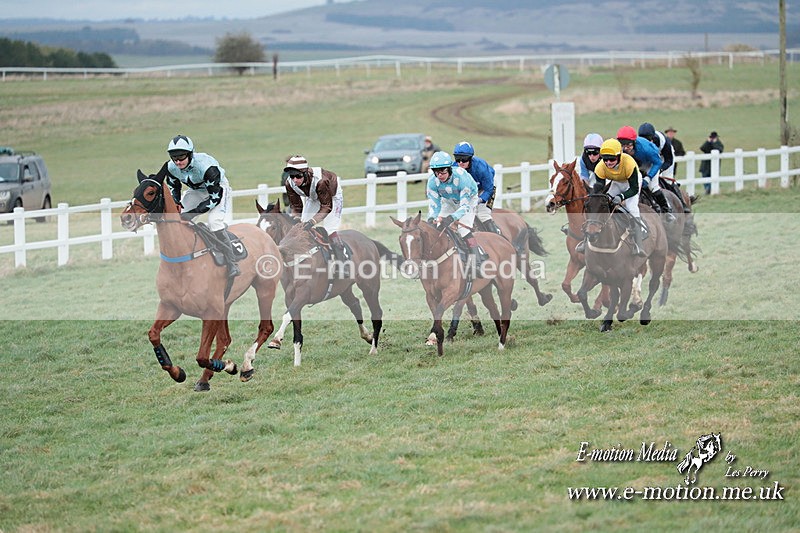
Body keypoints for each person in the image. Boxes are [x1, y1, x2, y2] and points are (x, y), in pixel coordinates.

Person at [157, 134, 239, 278]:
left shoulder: (207, 167)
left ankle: (232, 263)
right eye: (174, 157)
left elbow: (214, 199)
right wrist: (176, 203)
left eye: (181, 157)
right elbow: (174, 188)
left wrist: (192, 214)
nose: (177, 161)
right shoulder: (171, 167)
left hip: (218, 189)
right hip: (196, 190)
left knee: (214, 223)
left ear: (190, 154)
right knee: (178, 219)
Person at [577, 139, 646, 257]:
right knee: (602, 204)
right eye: (605, 159)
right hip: (616, 182)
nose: (608, 162)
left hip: (631, 183)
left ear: (619, 156)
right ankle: (585, 241)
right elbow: (600, 188)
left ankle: (638, 245)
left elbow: (634, 189)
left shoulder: (629, 164)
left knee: (631, 207)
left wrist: (622, 196)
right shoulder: (600, 167)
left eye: (612, 159)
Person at [283, 154, 348, 277]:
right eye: (292, 176)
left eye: (298, 176)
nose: (295, 180)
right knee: (301, 228)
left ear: (306, 173)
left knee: (330, 229)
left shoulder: (321, 180)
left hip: (332, 197)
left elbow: (326, 207)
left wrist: (313, 221)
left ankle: (343, 263)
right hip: (312, 197)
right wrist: (296, 219)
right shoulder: (289, 183)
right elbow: (296, 207)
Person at [426, 151, 487, 266]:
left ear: (449, 168)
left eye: (443, 170)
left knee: (462, 229)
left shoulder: (461, 177)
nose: (439, 175)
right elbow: (435, 205)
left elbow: (464, 206)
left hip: (468, 200)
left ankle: (478, 259)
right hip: (449, 201)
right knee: (437, 227)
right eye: (436, 172)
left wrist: (451, 218)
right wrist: (431, 219)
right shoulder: (432, 182)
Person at [617, 125, 675, 223]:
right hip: (635, 164)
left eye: (628, 145)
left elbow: (658, 163)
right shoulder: (619, 149)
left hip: (650, 164)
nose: (626, 148)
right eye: (623, 145)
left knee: (653, 186)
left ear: (634, 142)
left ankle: (667, 211)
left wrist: (648, 177)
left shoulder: (647, 149)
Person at [452, 141, 501, 235]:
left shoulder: (481, 167)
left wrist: (479, 200)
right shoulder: (453, 168)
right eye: (457, 159)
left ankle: (498, 236)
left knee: (483, 215)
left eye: (464, 159)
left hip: (486, 187)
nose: (461, 162)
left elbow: (489, 189)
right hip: (469, 190)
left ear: (470, 158)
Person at [639, 122, 689, 213]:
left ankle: (681, 203)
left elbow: (668, 161)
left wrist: (660, 169)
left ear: (653, 137)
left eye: (648, 139)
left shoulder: (663, 141)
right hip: (649, 158)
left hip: (663, 157)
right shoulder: (637, 142)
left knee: (667, 180)